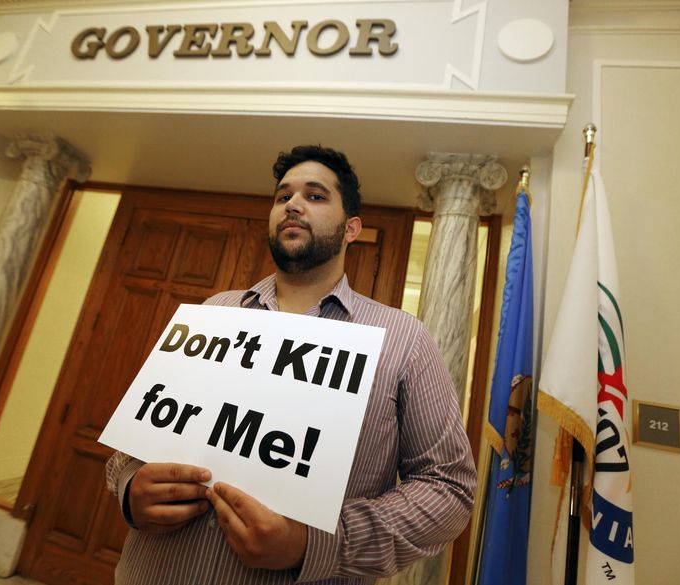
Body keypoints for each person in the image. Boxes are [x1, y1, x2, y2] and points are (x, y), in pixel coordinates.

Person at [106, 145, 476, 585]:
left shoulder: (403, 340)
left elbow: (449, 487)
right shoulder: (214, 311)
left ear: (351, 228)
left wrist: (313, 545)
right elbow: (136, 441)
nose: (293, 205)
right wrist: (130, 488)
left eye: (315, 196)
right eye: (283, 196)